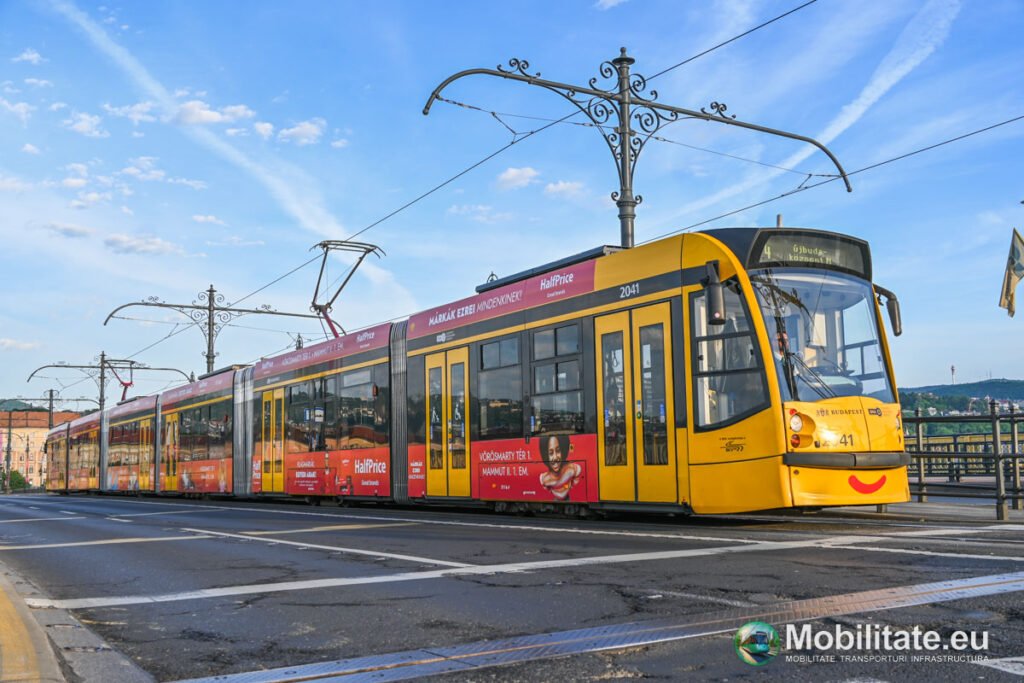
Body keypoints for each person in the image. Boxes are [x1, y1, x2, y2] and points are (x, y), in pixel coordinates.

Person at [539, 433, 582, 501]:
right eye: (550, 453)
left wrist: (566, 487)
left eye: (558, 451)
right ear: (546, 455)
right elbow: (547, 489)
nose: (555, 457)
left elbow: (576, 478)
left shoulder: (572, 469)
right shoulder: (544, 478)